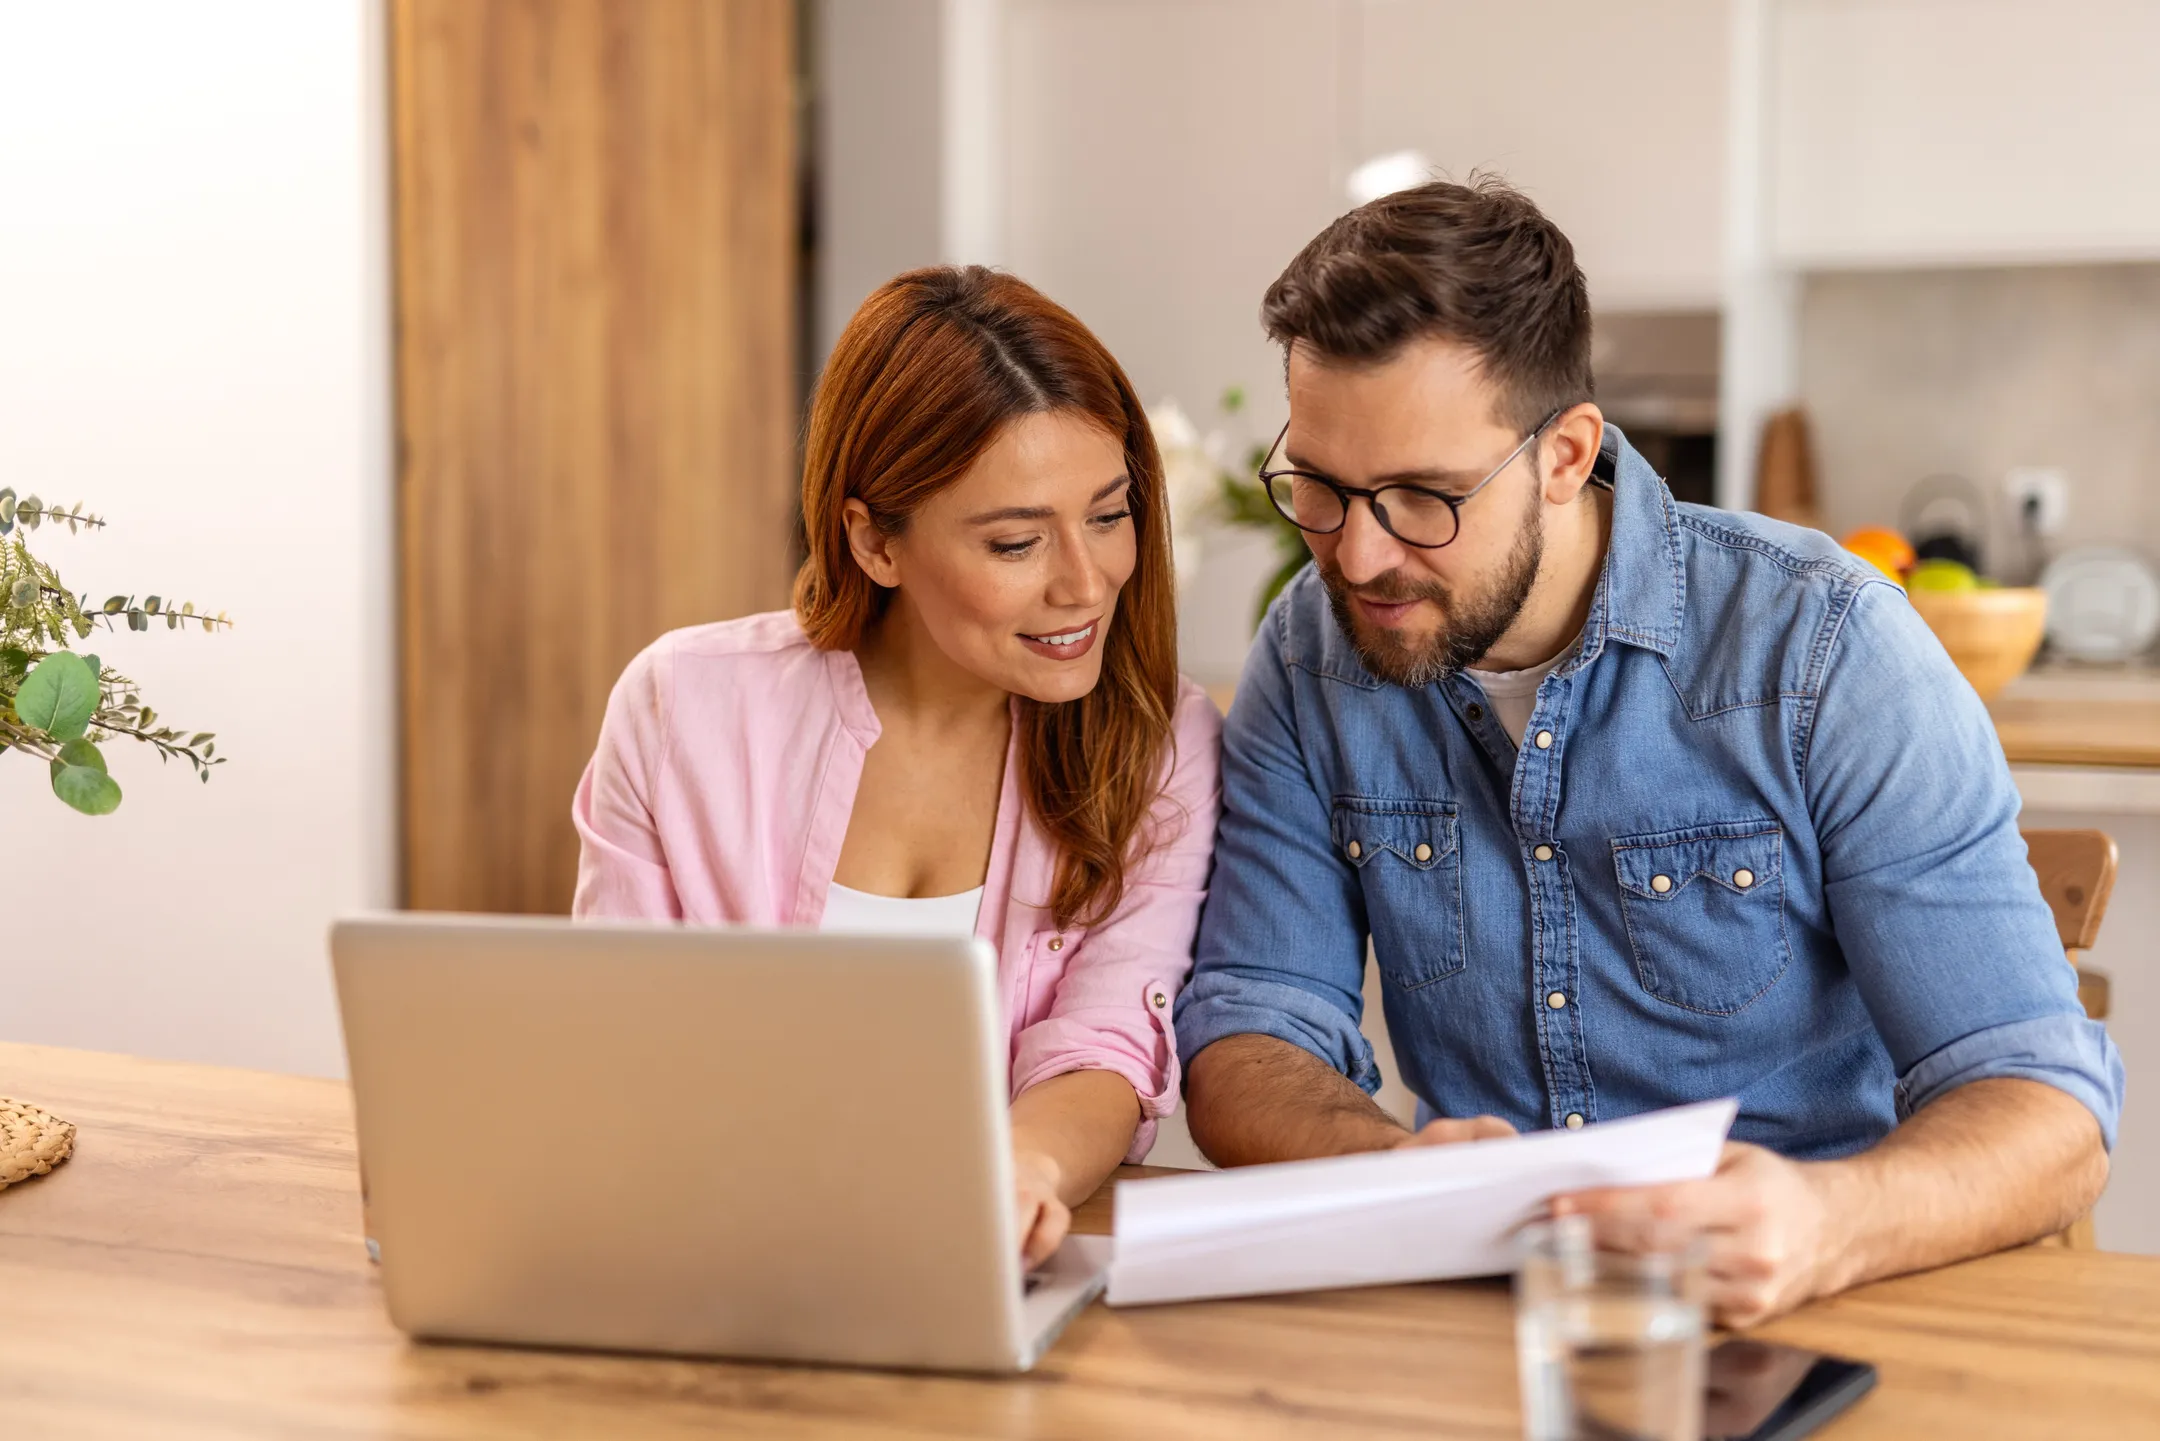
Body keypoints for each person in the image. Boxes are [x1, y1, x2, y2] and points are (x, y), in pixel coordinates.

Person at [1176, 179, 2124, 1325]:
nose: (1361, 556)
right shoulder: (1310, 657)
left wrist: (1827, 1222)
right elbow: (1251, 1026)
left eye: (1424, 498)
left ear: (1567, 455)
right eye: (1320, 489)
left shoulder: (1824, 645)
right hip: (1494, 1316)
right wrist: (1384, 1170)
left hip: (1824, 1302)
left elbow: (2047, 1103)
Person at [573, 266, 1221, 1268]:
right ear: (875, 540)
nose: (1087, 584)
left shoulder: (1157, 739)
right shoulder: (679, 706)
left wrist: (1024, 1170)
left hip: (978, 1267)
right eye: (1016, 541)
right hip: (697, 1252)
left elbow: (1106, 1045)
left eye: (1108, 514)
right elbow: (616, 1038)